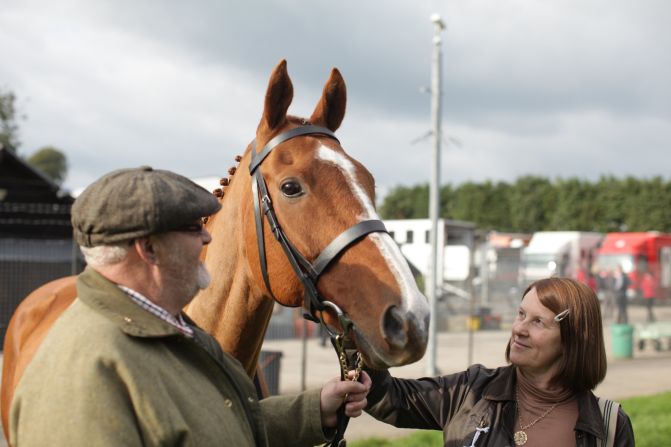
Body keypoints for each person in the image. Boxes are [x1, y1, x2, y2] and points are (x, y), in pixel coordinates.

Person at [9, 166, 370, 446]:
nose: (207, 236)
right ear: (148, 248)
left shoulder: (165, 325)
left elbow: (215, 425)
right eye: (192, 227)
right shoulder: (85, 373)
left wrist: (314, 410)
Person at [364, 277, 635, 446]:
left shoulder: (609, 427)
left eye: (538, 322)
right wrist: (362, 328)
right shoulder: (471, 392)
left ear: (573, 339)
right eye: (520, 314)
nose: (519, 329)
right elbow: (389, 399)